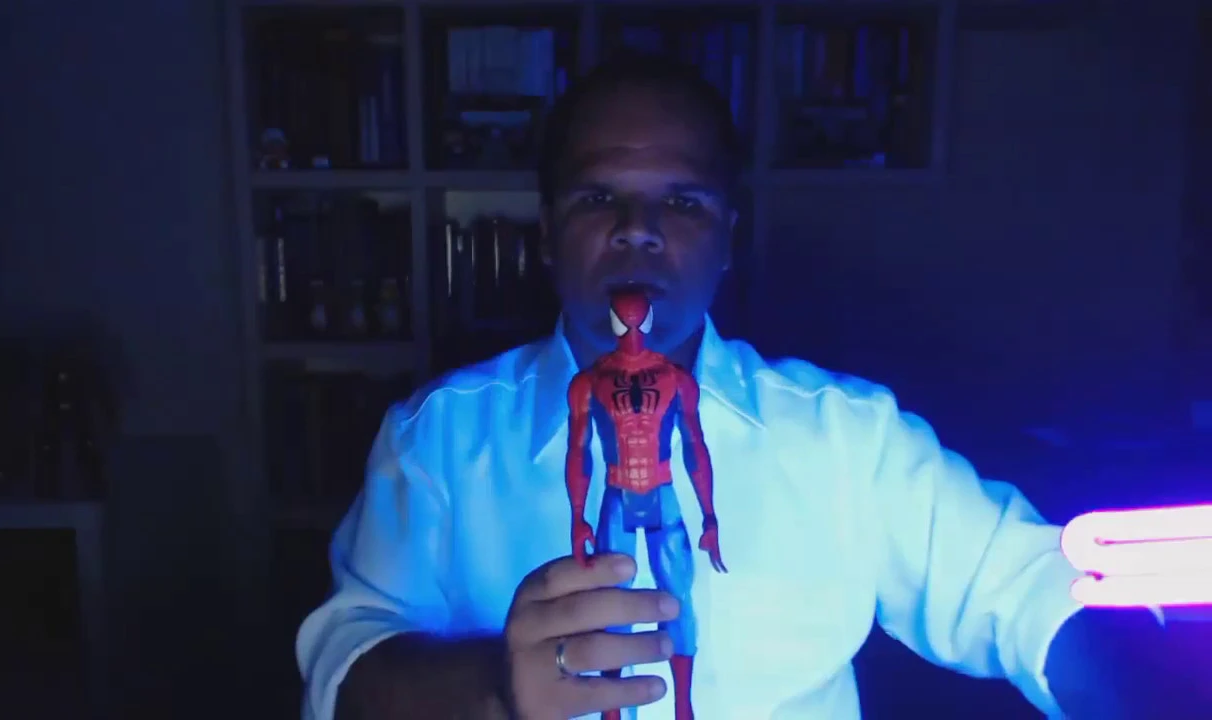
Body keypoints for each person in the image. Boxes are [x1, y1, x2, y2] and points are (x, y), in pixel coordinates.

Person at [297, 54, 1187, 720]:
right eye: (598, 199)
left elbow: (1028, 587)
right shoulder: (436, 442)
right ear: (545, 235)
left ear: (727, 239)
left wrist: (1153, 688)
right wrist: (492, 685)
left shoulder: (851, 440)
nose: (638, 231)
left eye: (681, 203)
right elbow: (344, 668)